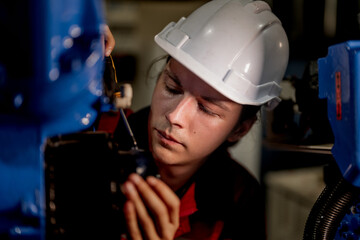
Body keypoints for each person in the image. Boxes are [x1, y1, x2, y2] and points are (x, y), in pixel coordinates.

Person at [112, 0, 289, 239]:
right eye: (172, 88)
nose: (175, 116)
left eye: (206, 109)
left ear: (239, 129)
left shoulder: (238, 198)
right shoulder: (99, 136)